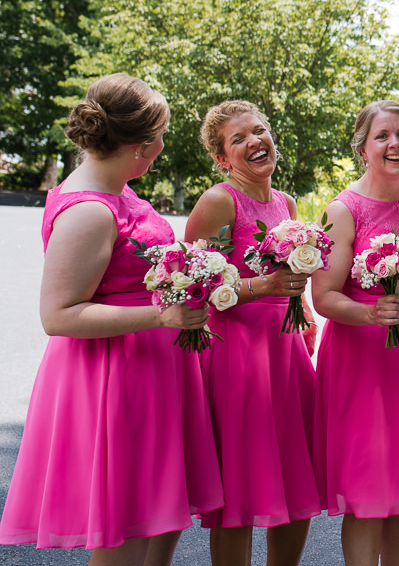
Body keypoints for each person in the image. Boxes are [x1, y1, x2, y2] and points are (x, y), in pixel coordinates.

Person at [0, 73, 221, 565]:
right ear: (141, 147)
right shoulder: (91, 212)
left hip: (153, 370)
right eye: (162, 135)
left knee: (159, 522)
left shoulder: (119, 188)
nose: (165, 144)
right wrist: (163, 316)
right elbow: (58, 315)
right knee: (125, 535)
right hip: (113, 379)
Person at [185, 100, 323, 566]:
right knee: (239, 496)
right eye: (238, 139)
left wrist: (300, 308)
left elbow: (291, 273)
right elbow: (192, 284)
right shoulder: (219, 201)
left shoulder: (285, 202)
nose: (254, 142)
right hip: (237, 357)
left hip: (285, 352)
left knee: (298, 480)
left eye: (258, 131)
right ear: (223, 159)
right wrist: (261, 286)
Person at [312, 100, 399, 566]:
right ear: (363, 148)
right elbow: (324, 296)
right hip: (361, 358)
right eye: (382, 136)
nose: (395, 144)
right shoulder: (342, 210)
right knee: (369, 485)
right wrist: (370, 315)